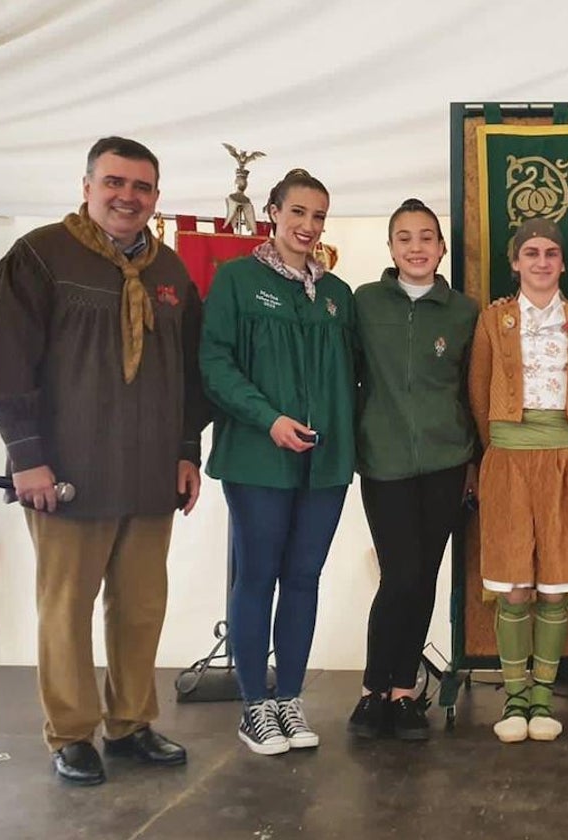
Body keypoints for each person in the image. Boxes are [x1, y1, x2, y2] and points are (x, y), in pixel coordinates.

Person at [0, 136, 209, 785]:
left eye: (140, 187)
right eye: (115, 182)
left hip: (148, 474)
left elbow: (190, 373)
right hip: (66, 475)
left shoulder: (169, 274)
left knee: (139, 608)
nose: (126, 197)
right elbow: (2, 363)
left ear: (156, 198)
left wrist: (187, 450)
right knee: (66, 607)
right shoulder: (40, 257)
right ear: (87, 186)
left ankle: (131, 723)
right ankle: (72, 732)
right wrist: (27, 457)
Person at [200, 168, 356, 756]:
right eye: (298, 213)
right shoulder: (238, 281)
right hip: (258, 459)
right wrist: (268, 419)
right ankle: (254, 706)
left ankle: (288, 697)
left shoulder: (337, 295)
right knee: (256, 576)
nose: (308, 226)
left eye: (318, 216)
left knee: (303, 578)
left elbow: (359, 375)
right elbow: (215, 363)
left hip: (325, 465)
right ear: (272, 213)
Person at [468, 217, 568, 743]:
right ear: (514, 261)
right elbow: (479, 393)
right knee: (515, 584)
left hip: (567, 456)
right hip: (509, 456)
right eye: (531, 253)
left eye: (551, 253)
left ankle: (545, 699)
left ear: (563, 262)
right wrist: (504, 448)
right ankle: (514, 698)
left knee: (555, 585)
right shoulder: (493, 321)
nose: (542, 262)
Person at [347, 198, 480, 740]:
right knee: (399, 574)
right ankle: (372, 689)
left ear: (442, 248)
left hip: (448, 463)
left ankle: (403, 693)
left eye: (427, 237)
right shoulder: (363, 302)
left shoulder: (465, 312)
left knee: (424, 576)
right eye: (404, 237)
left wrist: (474, 459)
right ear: (391, 248)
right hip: (385, 462)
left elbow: (474, 389)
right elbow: (346, 376)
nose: (416, 247)